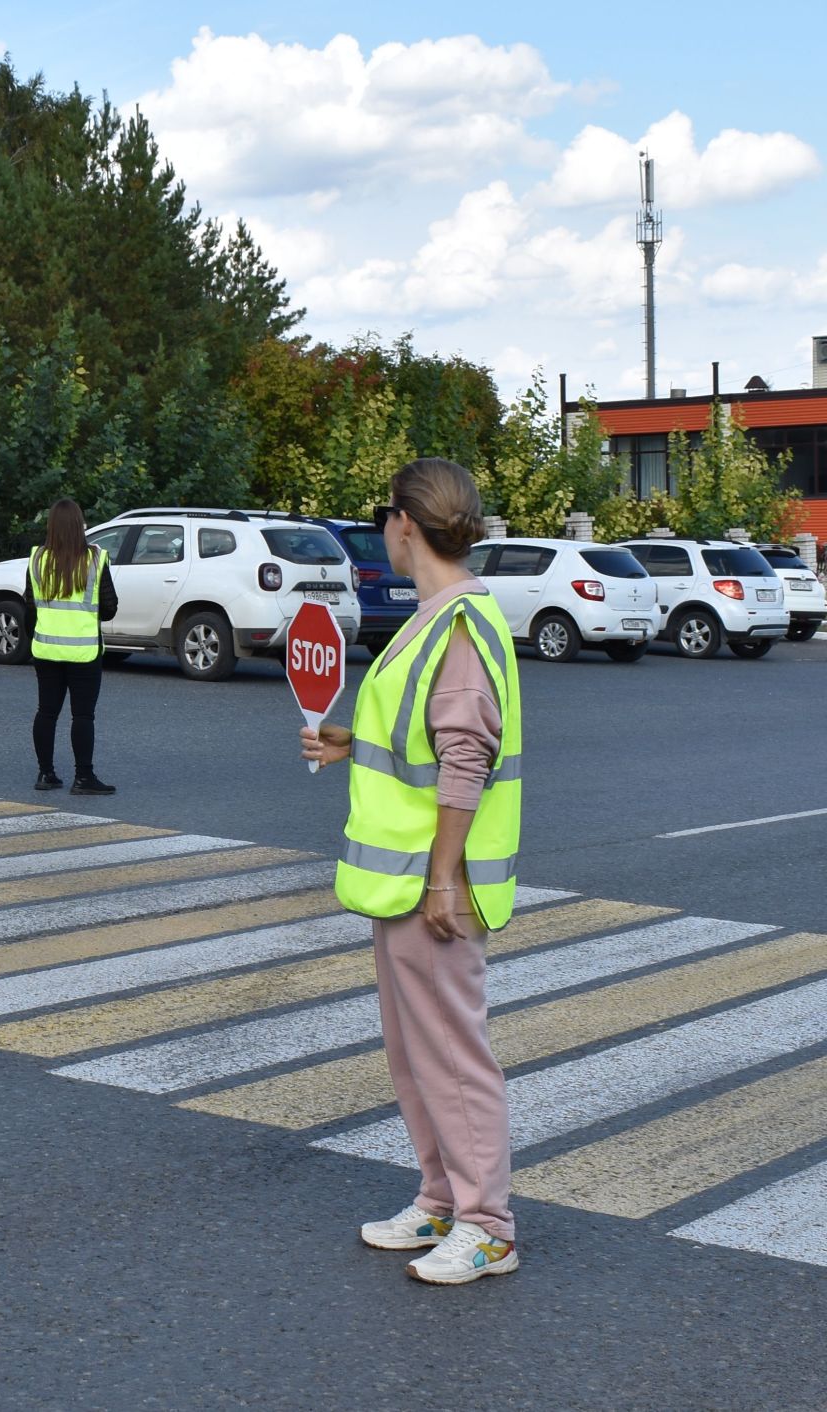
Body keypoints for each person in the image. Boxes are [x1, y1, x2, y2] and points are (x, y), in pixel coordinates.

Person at [299, 457, 521, 1286]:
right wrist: (349, 741)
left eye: (385, 518)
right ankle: (440, 1199)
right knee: (415, 1054)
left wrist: (440, 879)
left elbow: (469, 758)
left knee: (455, 1057)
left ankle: (488, 1225)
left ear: (405, 524)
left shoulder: (457, 624)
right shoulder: (432, 619)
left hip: (436, 889)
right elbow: (424, 742)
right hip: (401, 885)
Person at [28, 497, 117, 796]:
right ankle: (83, 778)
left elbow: (30, 608)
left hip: (46, 650)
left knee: (46, 712)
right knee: (82, 716)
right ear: (80, 526)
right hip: (84, 651)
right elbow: (109, 607)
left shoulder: (37, 558)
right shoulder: (95, 558)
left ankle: (46, 773)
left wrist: (38, 636)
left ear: (51, 526)